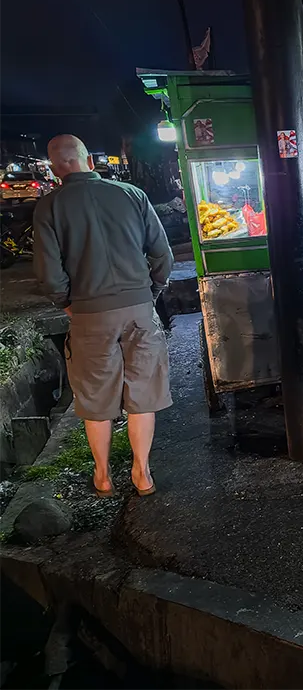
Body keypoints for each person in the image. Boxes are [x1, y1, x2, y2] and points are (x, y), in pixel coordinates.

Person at [34, 135, 173, 497]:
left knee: (96, 399)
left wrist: (67, 303)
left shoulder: (49, 207)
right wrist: (150, 294)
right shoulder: (131, 194)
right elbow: (162, 256)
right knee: (142, 392)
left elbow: (49, 275)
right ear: (89, 162)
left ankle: (103, 476)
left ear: (53, 168)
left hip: (88, 313)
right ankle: (142, 474)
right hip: (139, 308)